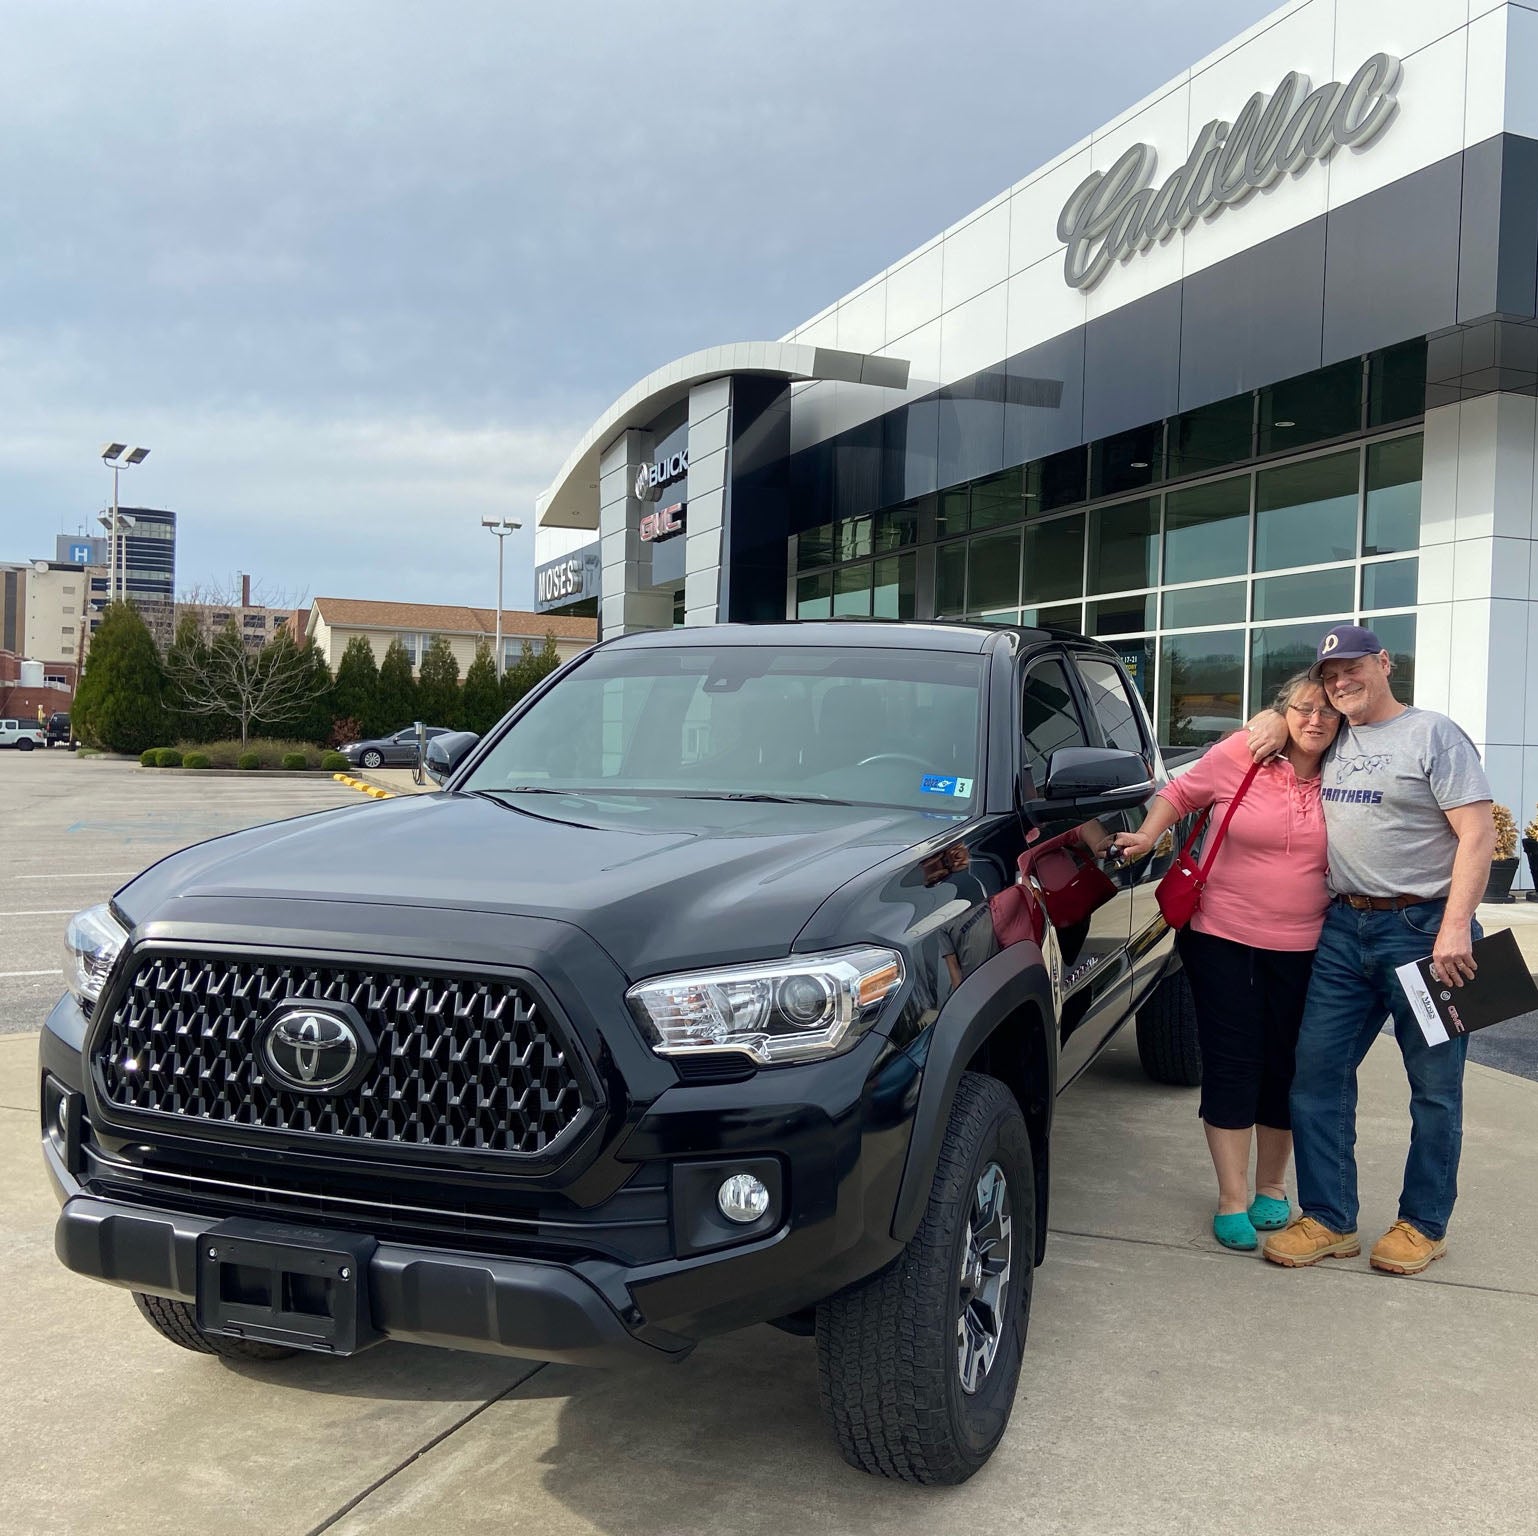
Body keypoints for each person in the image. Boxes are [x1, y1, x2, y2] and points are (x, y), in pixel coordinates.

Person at [1244, 625, 1495, 1275]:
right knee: (1317, 1072)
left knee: (1435, 1088)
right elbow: (1287, 723)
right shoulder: (1333, 733)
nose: (1339, 682)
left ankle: (1423, 1223)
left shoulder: (1434, 734)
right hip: (1342, 928)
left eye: (1352, 668)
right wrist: (1273, 717)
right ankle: (1329, 1218)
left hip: (1426, 931)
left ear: (1384, 664)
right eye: (1330, 676)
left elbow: (1476, 835)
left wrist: (1457, 926)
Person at [1114, 674, 1338, 1250]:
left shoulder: (1349, 765)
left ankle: (1271, 1187)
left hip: (1309, 945)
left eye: (1327, 711)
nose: (1315, 720)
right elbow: (1181, 792)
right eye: (1303, 709)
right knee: (1233, 1059)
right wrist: (1146, 835)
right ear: (1283, 712)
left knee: (1285, 1064)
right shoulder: (1246, 750)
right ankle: (1232, 1197)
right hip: (1223, 935)